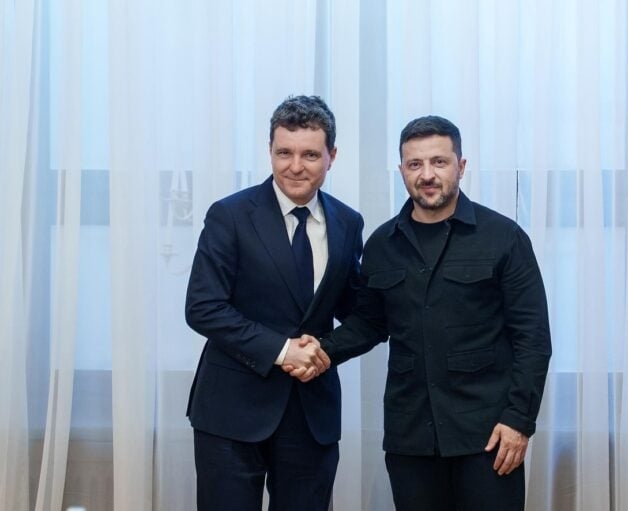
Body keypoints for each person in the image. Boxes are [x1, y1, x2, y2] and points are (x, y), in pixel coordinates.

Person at [291, 115, 551, 510]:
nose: (427, 174)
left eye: (439, 162)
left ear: (461, 166)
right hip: (410, 438)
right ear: (402, 171)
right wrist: (320, 350)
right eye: (415, 164)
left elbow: (533, 339)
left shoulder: (504, 237)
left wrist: (519, 421)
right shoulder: (382, 244)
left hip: (488, 436)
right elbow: (369, 323)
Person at [185, 95, 363, 510]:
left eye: (310, 155)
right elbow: (203, 307)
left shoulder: (348, 222)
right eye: (284, 153)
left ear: (332, 156)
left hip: (312, 413)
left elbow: (356, 311)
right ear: (270, 150)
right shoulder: (229, 215)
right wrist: (283, 351)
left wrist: (325, 352)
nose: (295, 166)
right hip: (231, 411)